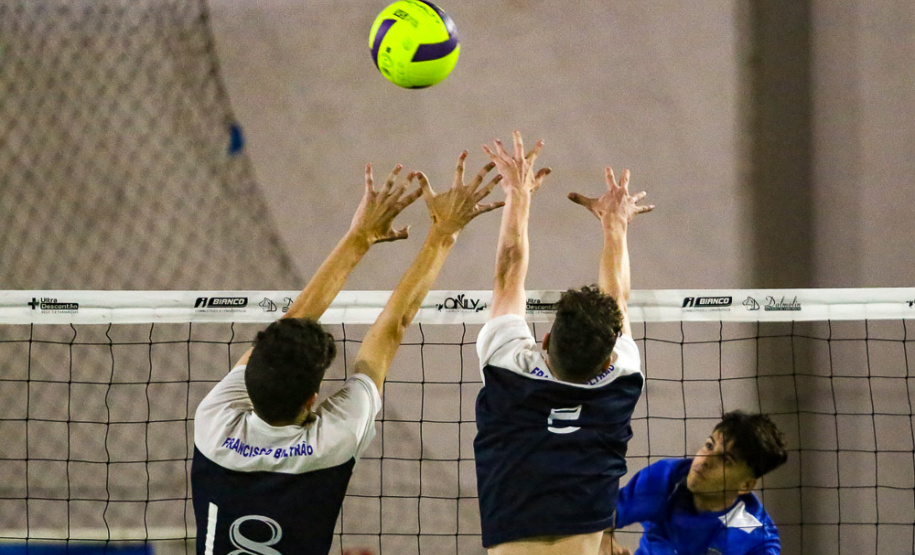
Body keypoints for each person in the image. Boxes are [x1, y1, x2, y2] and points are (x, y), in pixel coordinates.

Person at [191, 156, 503, 555]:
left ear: (248, 385)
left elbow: (380, 329)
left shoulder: (214, 423)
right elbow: (387, 327)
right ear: (311, 399)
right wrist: (437, 230)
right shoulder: (331, 441)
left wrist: (369, 237)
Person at [474, 131, 654, 554]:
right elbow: (617, 297)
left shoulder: (508, 369)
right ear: (607, 359)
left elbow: (508, 272)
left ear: (546, 338)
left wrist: (518, 193)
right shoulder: (621, 381)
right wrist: (615, 226)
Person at [601, 411, 789, 555]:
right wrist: (605, 540)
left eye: (725, 460)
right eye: (709, 446)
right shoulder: (666, 478)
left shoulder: (757, 538)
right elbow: (598, 515)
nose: (705, 460)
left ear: (745, 485)